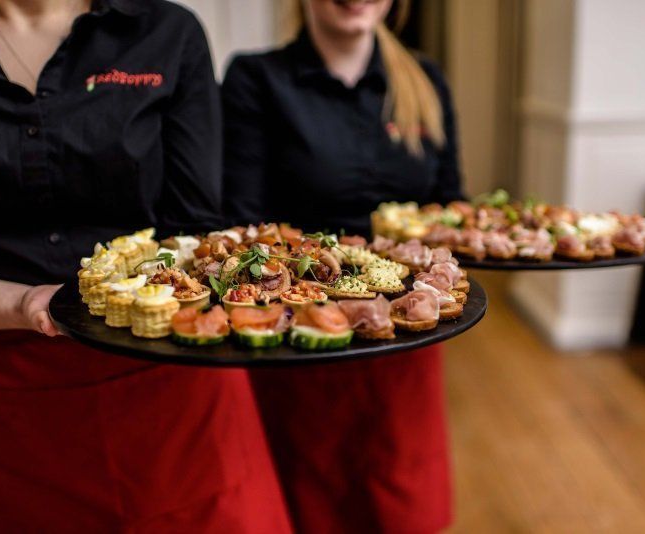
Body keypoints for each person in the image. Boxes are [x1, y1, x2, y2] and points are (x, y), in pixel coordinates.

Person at [0, 0, 291, 531]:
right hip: (8, 406)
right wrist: (21, 303)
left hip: (173, 389)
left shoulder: (166, 32)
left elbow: (196, 234)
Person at [222, 0, 464, 531]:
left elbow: (452, 209)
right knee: (311, 497)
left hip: (404, 339)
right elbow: (242, 223)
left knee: (401, 498)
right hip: (304, 334)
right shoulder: (255, 79)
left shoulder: (425, 80)